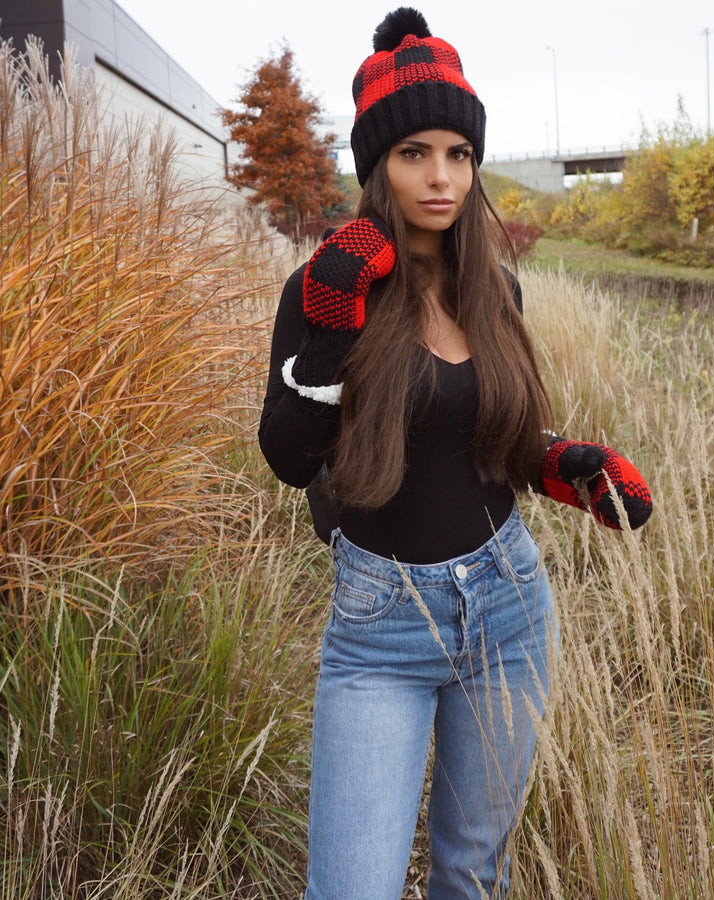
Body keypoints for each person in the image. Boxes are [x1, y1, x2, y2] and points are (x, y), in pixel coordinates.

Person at [259, 8, 652, 898]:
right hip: (380, 630)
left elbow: (502, 439)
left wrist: (571, 470)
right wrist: (328, 331)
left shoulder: (494, 283)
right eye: (413, 154)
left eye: (458, 154)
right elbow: (287, 457)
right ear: (377, 165)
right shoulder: (325, 285)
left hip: (508, 606)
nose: (440, 177)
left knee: (472, 871)